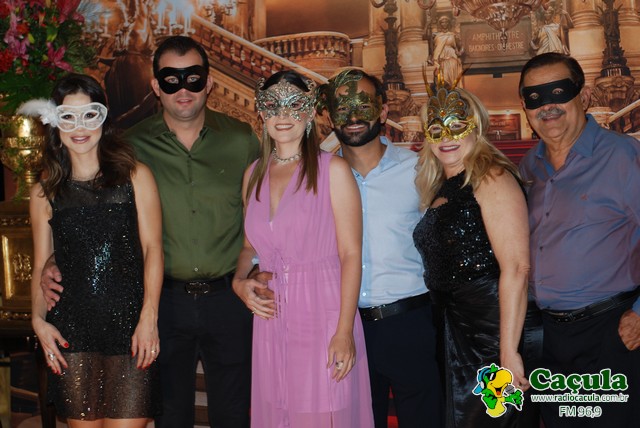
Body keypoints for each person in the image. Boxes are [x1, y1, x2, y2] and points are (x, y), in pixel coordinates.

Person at [40, 36, 260, 427]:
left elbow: (265, 214)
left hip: (228, 299)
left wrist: (260, 271)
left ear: (209, 82)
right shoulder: (130, 147)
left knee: (234, 414)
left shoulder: (242, 140)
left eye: (193, 78)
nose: (183, 89)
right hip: (161, 302)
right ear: (156, 86)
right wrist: (55, 257)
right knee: (169, 415)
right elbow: (93, 211)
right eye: (171, 79)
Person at [232, 70, 374, 427]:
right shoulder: (252, 174)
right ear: (261, 113)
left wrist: (344, 331)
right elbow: (249, 246)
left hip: (323, 314)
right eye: (273, 106)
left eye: (293, 105)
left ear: (310, 112)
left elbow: (351, 254)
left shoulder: (333, 170)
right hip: (271, 317)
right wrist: (239, 281)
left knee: (320, 414)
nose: (283, 116)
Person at [24, 73, 162, 427]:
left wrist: (149, 318)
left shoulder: (136, 176)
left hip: (131, 328)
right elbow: (40, 266)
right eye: (69, 117)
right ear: (55, 122)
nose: (80, 127)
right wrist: (38, 322)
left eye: (89, 115)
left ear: (104, 117)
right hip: (72, 332)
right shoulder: (43, 193)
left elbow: (153, 249)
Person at [518, 52, 640, 428]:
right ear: (525, 108)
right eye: (535, 98)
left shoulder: (624, 157)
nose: (548, 106)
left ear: (583, 97)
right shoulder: (528, 168)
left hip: (611, 332)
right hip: (548, 337)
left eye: (559, 92)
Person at [317, 68, 443, 428]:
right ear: (329, 117)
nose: (354, 116)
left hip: (411, 324)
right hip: (345, 327)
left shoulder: (419, 170)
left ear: (384, 111)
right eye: (342, 108)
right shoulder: (317, 179)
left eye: (364, 105)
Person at [413, 81, 541, 427]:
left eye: (457, 125)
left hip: (492, 327)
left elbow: (517, 267)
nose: (446, 137)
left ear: (476, 126)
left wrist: (508, 351)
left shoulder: (491, 176)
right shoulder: (442, 186)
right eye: (436, 128)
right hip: (454, 327)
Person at [430, 16, 464, 88]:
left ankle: (453, 91)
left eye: (446, 22)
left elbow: (462, 46)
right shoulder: (436, 35)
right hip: (441, 60)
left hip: (452, 58)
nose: (444, 24)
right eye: (442, 22)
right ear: (440, 24)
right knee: (443, 79)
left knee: (453, 80)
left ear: (448, 23)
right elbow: (432, 48)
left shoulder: (453, 35)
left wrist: (460, 53)